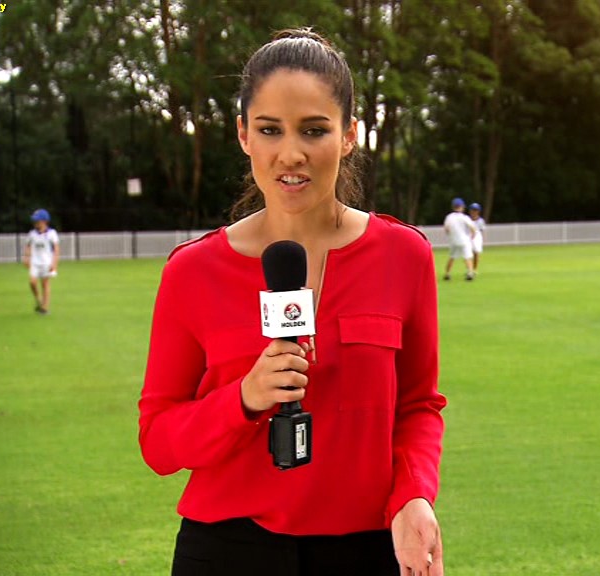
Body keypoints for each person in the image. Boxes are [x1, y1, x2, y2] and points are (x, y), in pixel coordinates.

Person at [138, 29, 446, 576]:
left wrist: (415, 493)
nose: (291, 153)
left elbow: (418, 406)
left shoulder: (404, 255)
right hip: (228, 551)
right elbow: (158, 442)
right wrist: (243, 399)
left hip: (366, 549)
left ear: (349, 135)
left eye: (314, 130)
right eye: (270, 130)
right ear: (243, 135)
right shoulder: (192, 272)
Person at [23, 208, 59, 315]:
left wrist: (54, 264)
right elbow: (28, 245)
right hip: (35, 262)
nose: (35, 222)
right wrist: (26, 257)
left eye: (37, 220)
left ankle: (45, 307)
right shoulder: (32, 234)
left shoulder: (52, 233)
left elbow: (56, 250)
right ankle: (38, 299)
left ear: (44, 221)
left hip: (46, 262)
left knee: (45, 284)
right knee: (32, 282)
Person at [442, 198, 475, 281]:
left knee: (452, 257)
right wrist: (472, 236)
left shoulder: (449, 217)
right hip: (464, 240)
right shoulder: (464, 217)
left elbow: (446, 229)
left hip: (453, 240)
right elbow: (472, 228)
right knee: (467, 257)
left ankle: (447, 274)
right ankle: (470, 273)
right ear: (462, 207)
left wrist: (450, 235)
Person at [468, 202, 485, 273]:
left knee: (476, 253)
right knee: (468, 254)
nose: (474, 212)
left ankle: (474, 269)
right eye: (473, 210)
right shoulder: (467, 219)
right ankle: (470, 269)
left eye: (476, 210)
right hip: (468, 235)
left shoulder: (481, 221)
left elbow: (481, 230)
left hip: (477, 236)